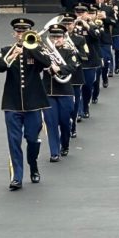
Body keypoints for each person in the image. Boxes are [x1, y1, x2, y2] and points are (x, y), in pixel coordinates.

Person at [0, 18, 53, 189]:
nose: (21, 34)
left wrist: (31, 48)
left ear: (30, 33)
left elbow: (47, 63)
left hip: (34, 104)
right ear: (14, 33)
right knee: (14, 142)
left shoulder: (38, 50)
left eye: (24, 31)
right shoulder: (6, 50)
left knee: (33, 140)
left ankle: (33, 165)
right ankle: (16, 177)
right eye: (18, 31)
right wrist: (12, 55)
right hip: (12, 104)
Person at [40, 24, 80, 162]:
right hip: (48, 91)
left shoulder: (69, 51)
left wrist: (59, 69)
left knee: (64, 122)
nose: (56, 39)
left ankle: (65, 144)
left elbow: (73, 67)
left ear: (64, 38)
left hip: (65, 92)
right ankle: (54, 152)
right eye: (53, 36)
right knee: (51, 123)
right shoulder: (44, 51)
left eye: (58, 37)